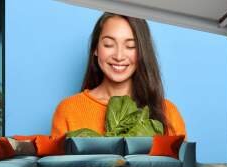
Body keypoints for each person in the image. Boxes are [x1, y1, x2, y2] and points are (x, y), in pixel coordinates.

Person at [51, 12, 186, 139]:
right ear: (96, 49)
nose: (119, 56)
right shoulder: (68, 110)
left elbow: (182, 163)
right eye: (109, 44)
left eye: (131, 46)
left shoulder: (168, 113)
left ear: (142, 52)